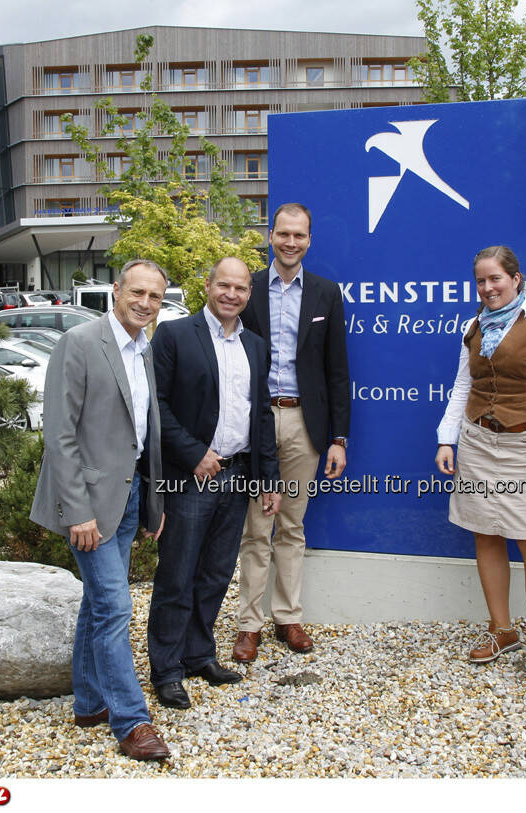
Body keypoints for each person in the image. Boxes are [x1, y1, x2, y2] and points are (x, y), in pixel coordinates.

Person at [30, 259, 170, 761]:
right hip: (88, 502)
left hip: (130, 498)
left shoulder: (145, 349)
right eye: (137, 292)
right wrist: (77, 512)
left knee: (97, 603)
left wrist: (154, 503)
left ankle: (89, 702)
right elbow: (60, 435)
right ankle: (132, 722)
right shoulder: (81, 343)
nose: (145, 303)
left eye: (155, 296)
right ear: (116, 291)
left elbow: (144, 432)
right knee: (114, 605)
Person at [147, 257, 282, 709]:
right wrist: (193, 454)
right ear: (207, 286)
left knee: (216, 574)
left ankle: (197, 654)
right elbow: (157, 406)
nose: (231, 294)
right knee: (177, 575)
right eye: (223, 285)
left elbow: (262, 415)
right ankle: (165, 669)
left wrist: (269, 478)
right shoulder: (174, 335)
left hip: (239, 475)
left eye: (240, 288)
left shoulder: (256, 347)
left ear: (248, 294)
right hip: (191, 477)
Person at [434, 245, 526, 686]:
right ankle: (502, 629)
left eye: (496, 278)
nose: (488, 287)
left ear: (517, 278)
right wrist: (446, 438)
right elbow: (461, 385)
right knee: (487, 534)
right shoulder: (473, 326)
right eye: (481, 281)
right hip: (477, 442)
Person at [231, 203, 351, 664]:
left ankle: (288, 618)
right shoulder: (249, 288)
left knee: (292, 525)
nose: (291, 242)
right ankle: (248, 625)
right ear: (271, 236)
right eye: (283, 234)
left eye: (299, 235)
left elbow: (337, 371)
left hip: (305, 423)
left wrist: (339, 438)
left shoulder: (326, 293)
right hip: (256, 422)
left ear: (309, 240)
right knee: (256, 527)